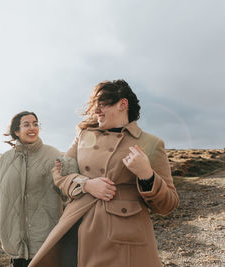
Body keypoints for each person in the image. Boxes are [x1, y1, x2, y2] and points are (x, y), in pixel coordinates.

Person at [29, 80, 179, 267]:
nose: (96, 111)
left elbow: (168, 204)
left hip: (122, 241)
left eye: (102, 104)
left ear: (122, 104)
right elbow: (59, 173)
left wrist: (147, 175)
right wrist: (86, 184)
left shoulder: (151, 143)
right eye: (95, 106)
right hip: (76, 228)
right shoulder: (83, 136)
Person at [0, 111, 63, 267]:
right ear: (16, 131)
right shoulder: (4, 161)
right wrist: (0, 224)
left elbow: (67, 191)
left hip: (46, 240)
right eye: (26, 124)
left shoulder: (53, 155)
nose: (32, 128)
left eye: (35, 124)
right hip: (15, 243)